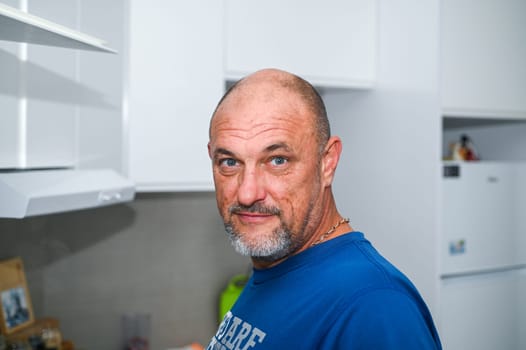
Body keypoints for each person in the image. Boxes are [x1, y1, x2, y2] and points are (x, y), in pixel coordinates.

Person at [206, 68, 442, 349]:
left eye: (277, 160)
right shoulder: (274, 266)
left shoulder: (374, 305)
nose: (247, 193)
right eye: (230, 162)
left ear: (327, 162)